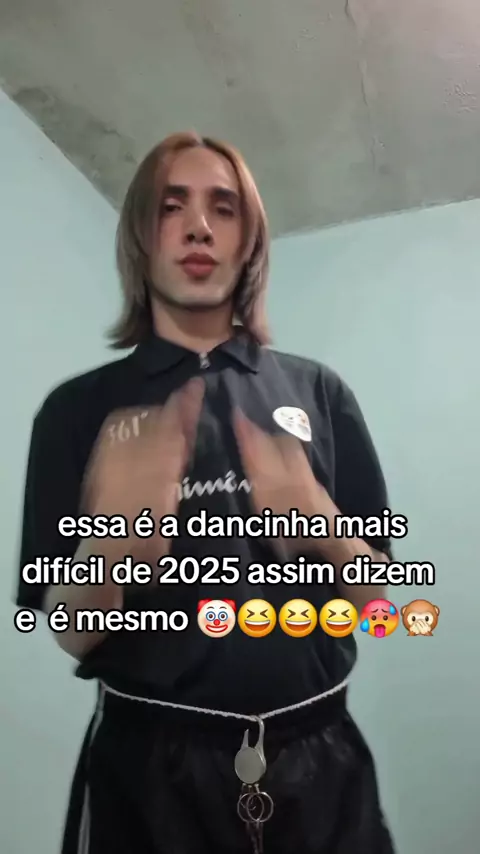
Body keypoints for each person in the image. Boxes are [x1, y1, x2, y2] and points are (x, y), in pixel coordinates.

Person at [16, 131, 396, 854]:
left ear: (249, 242)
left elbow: (379, 611)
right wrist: (119, 540)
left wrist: (316, 519)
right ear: (141, 237)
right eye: (172, 207)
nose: (198, 227)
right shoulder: (75, 412)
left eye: (224, 208)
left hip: (322, 769)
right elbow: (69, 628)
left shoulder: (320, 393)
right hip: (146, 779)